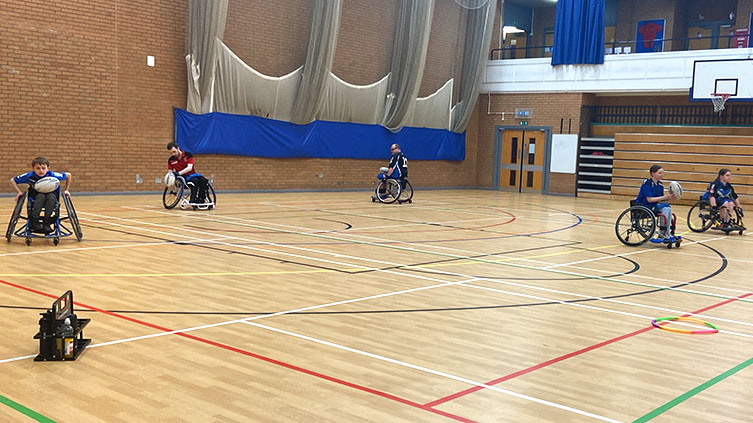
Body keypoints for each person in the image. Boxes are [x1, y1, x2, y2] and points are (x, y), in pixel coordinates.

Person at [10, 157, 72, 233]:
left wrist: (66, 190)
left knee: (51, 197)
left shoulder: (52, 175)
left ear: (48, 168)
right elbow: (13, 180)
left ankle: (47, 221)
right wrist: (19, 192)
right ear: (33, 168)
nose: (41, 170)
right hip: (36, 195)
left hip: (51, 194)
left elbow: (68, 175)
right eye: (38, 168)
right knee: (41, 197)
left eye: (43, 168)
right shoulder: (29, 176)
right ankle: (34, 221)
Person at [635, 164, 678, 242]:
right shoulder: (647, 183)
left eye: (662, 173)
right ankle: (663, 232)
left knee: (667, 207)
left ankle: (667, 233)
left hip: (653, 206)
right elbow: (649, 199)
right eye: (660, 173)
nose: (662, 175)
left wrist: (670, 197)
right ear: (653, 173)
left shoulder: (660, 185)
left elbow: (660, 200)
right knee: (665, 208)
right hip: (644, 206)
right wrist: (665, 197)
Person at [166, 141, 209, 209]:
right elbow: (170, 173)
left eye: (174, 152)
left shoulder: (188, 155)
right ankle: (193, 199)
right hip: (182, 178)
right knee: (194, 181)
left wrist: (178, 173)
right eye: (171, 153)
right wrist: (172, 182)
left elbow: (189, 168)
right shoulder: (171, 160)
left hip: (191, 174)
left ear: (178, 148)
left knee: (204, 180)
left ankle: (201, 199)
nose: (173, 154)